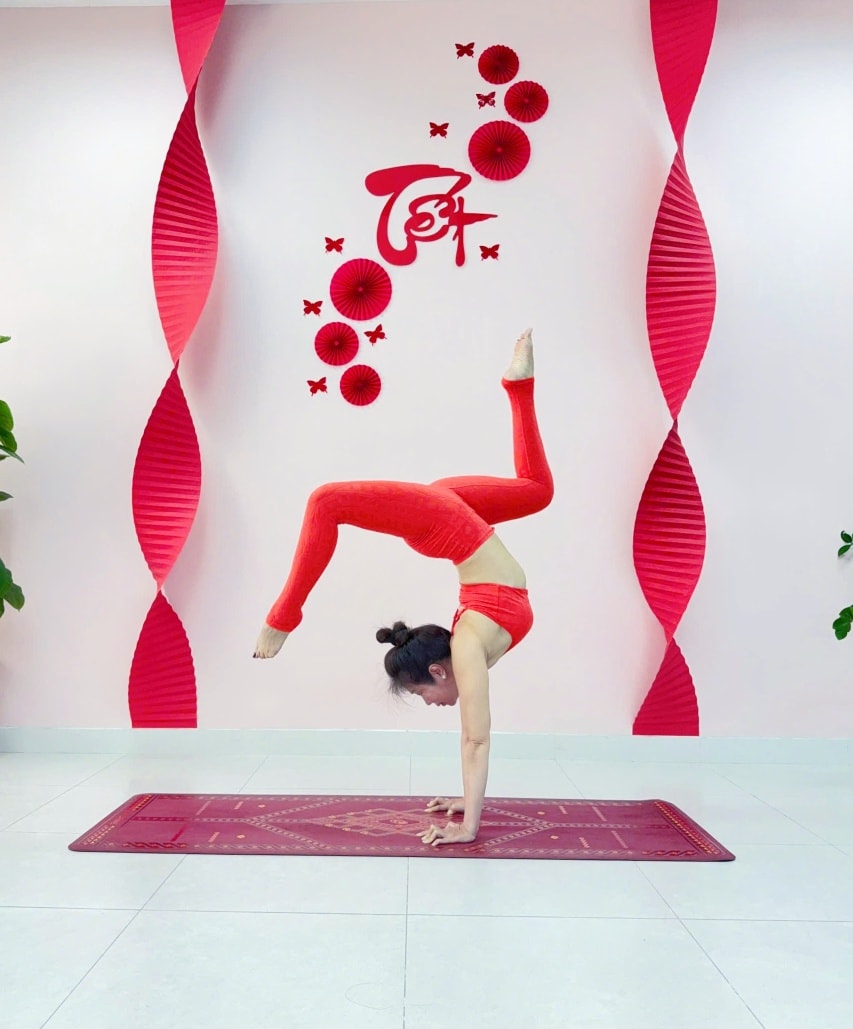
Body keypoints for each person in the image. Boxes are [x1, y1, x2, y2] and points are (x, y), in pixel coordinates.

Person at [254, 328, 553, 846]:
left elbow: (475, 739)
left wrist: (470, 827)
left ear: (438, 670)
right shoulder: (469, 646)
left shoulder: (466, 647)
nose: (431, 703)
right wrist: (468, 801)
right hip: (453, 515)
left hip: (444, 520)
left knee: (326, 501)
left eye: (422, 693)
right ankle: (518, 387)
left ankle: (282, 617)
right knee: (537, 491)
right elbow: (475, 738)